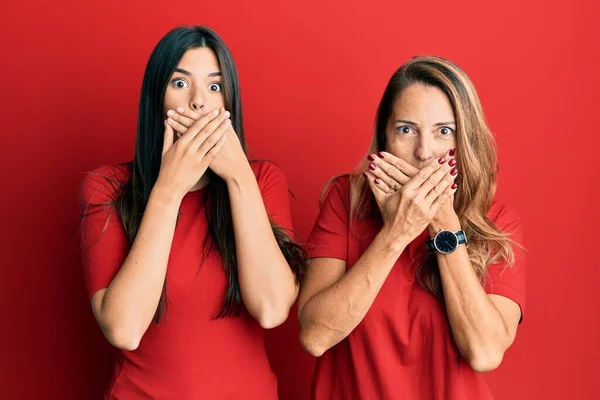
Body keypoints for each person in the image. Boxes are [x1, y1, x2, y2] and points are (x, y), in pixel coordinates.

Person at [78, 26, 305, 399]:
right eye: (180, 84)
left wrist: (239, 179)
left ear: (229, 104)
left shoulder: (263, 180)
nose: (200, 102)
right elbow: (124, 329)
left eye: (215, 87)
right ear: (157, 99)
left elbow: (271, 309)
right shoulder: (107, 187)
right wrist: (168, 191)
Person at [298, 56, 526, 399]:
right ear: (385, 137)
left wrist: (443, 224)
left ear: (465, 141)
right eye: (406, 130)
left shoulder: (496, 221)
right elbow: (315, 337)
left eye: (443, 132)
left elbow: (484, 352)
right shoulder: (346, 201)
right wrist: (396, 233)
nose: (424, 152)